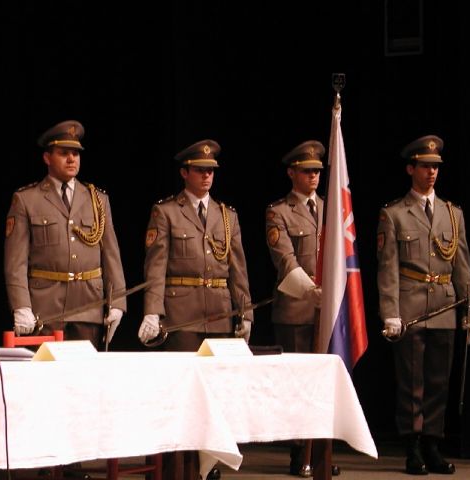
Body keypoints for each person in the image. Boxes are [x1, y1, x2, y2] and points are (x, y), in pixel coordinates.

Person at [138, 139, 253, 480]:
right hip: (182, 315)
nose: (207, 176)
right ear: (184, 173)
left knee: (214, 394)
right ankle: (174, 464)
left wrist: (245, 312)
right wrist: (153, 311)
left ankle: (205, 463)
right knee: (182, 395)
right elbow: (155, 268)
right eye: (200, 170)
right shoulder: (166, 212)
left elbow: (238, 270)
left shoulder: (226, 215)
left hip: (218, 314)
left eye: (211, 171)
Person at [377, 134, 470, 475]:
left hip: (445, 307)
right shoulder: (394, 213)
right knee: (412, 383)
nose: (432, 172)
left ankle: (433, 445)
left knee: (438, 382)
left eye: (435, 166)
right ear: (411, 169)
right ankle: (413, 448)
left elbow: (462, 266)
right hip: (410, 307)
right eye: (425, 166)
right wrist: (390, 312)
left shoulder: (452, 213)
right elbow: (388, 268)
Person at [4, 119, 126, 349]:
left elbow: (111, 255)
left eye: (76, 153)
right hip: (45, 309)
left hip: (89, 307)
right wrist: (21, 306)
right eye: (63, 153)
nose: (72, 159)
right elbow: (15, 262)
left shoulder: (97, 199)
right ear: (47, 158)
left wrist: (118, 303)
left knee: (84, 372)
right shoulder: (27, 199)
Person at [265, 140, 339, 477]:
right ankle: (299, 451)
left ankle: (321, 450)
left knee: (322, 385)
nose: (313, 177)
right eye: (307, 171)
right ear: (292, 173)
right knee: (296, 385)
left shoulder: (330, 210)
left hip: (327, 311)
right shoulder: (279, 211)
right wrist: (311, 291)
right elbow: (285, 259)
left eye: (317, 171)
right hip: (296, 308)